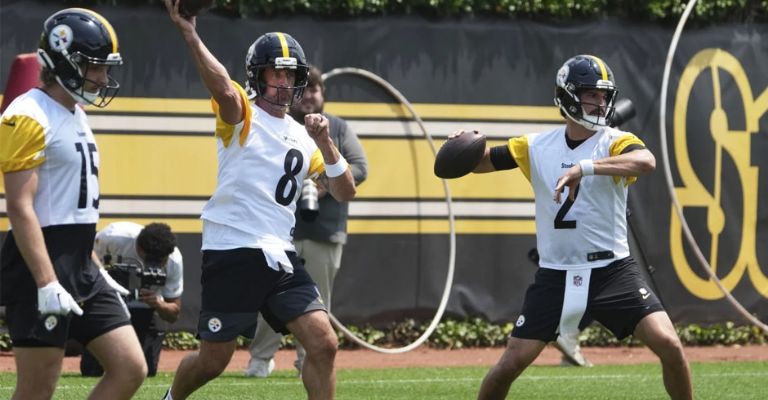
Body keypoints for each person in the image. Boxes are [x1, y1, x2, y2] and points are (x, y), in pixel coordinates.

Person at [449, 55, 693, 399]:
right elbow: (481, 163)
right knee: (509, 365)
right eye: (592, 94)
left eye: (605, 95)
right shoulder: (535, 146)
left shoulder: (616, 141)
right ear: (568, 96)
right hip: (555, 274)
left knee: (669, 344)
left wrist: (586, 167)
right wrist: (461, 144)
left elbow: (646, 160)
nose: (602, 102)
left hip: (612, 270)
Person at [162, 0, 356, 399]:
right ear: (257, 74)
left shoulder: (306, 134)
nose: (286, 81)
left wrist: (326, 144)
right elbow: (221, 87)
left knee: (324, 343)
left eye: (292, 73)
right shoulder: (243, 113)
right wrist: (189, 32)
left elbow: (344, 191)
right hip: (233, 247)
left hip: (280, 254)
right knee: (213, 360)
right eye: (277, 72)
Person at [0, 8, 147, 399]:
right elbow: (20, 206)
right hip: (39, 263)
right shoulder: (27, 113)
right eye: (93, 67)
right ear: (63, 60)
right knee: (36, 390)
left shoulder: (75, 112)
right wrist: (46, 282)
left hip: (81, 262)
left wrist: (94, 264)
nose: (101, 77)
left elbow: (70, 204)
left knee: (131, 367)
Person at [245, 66, 369, 378]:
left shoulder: (337, 127)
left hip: (324, 230)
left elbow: (360, 167)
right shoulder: (278, 125)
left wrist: (324, 186)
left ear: (323, 95)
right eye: (306, 89)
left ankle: (307, 361)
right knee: (268, 296)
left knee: (316, 302)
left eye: (316, 90)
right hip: (277, 231)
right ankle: (260, 358)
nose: (310, 96)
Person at [80, 221, 183, 377]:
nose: (153, 265)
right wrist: (105, 278)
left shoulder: (174, 260)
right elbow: (86, 255)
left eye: (159, 261)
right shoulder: (113, 237)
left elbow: (174, 313)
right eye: (150, 259)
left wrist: (158, 304)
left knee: (144, 370)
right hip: (108, 302)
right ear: (139, 248)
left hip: (145, 310)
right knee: (91, 370)